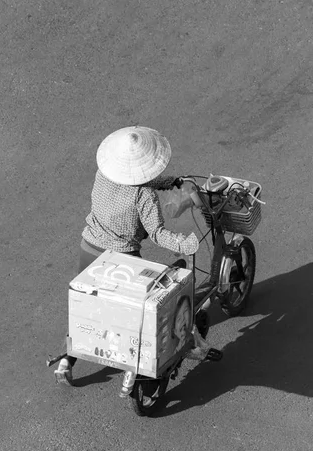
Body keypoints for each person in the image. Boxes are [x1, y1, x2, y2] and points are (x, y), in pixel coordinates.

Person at [55, 126, 205, 391]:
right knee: (130, 323)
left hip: (89, 249)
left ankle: (66, 361)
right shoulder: (144, 196)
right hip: (122, 260)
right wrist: (187, 243)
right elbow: (157, 234)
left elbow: (132, 185)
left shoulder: (102, 175)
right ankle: (133, 371)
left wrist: (169, 182)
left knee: (89, 313)